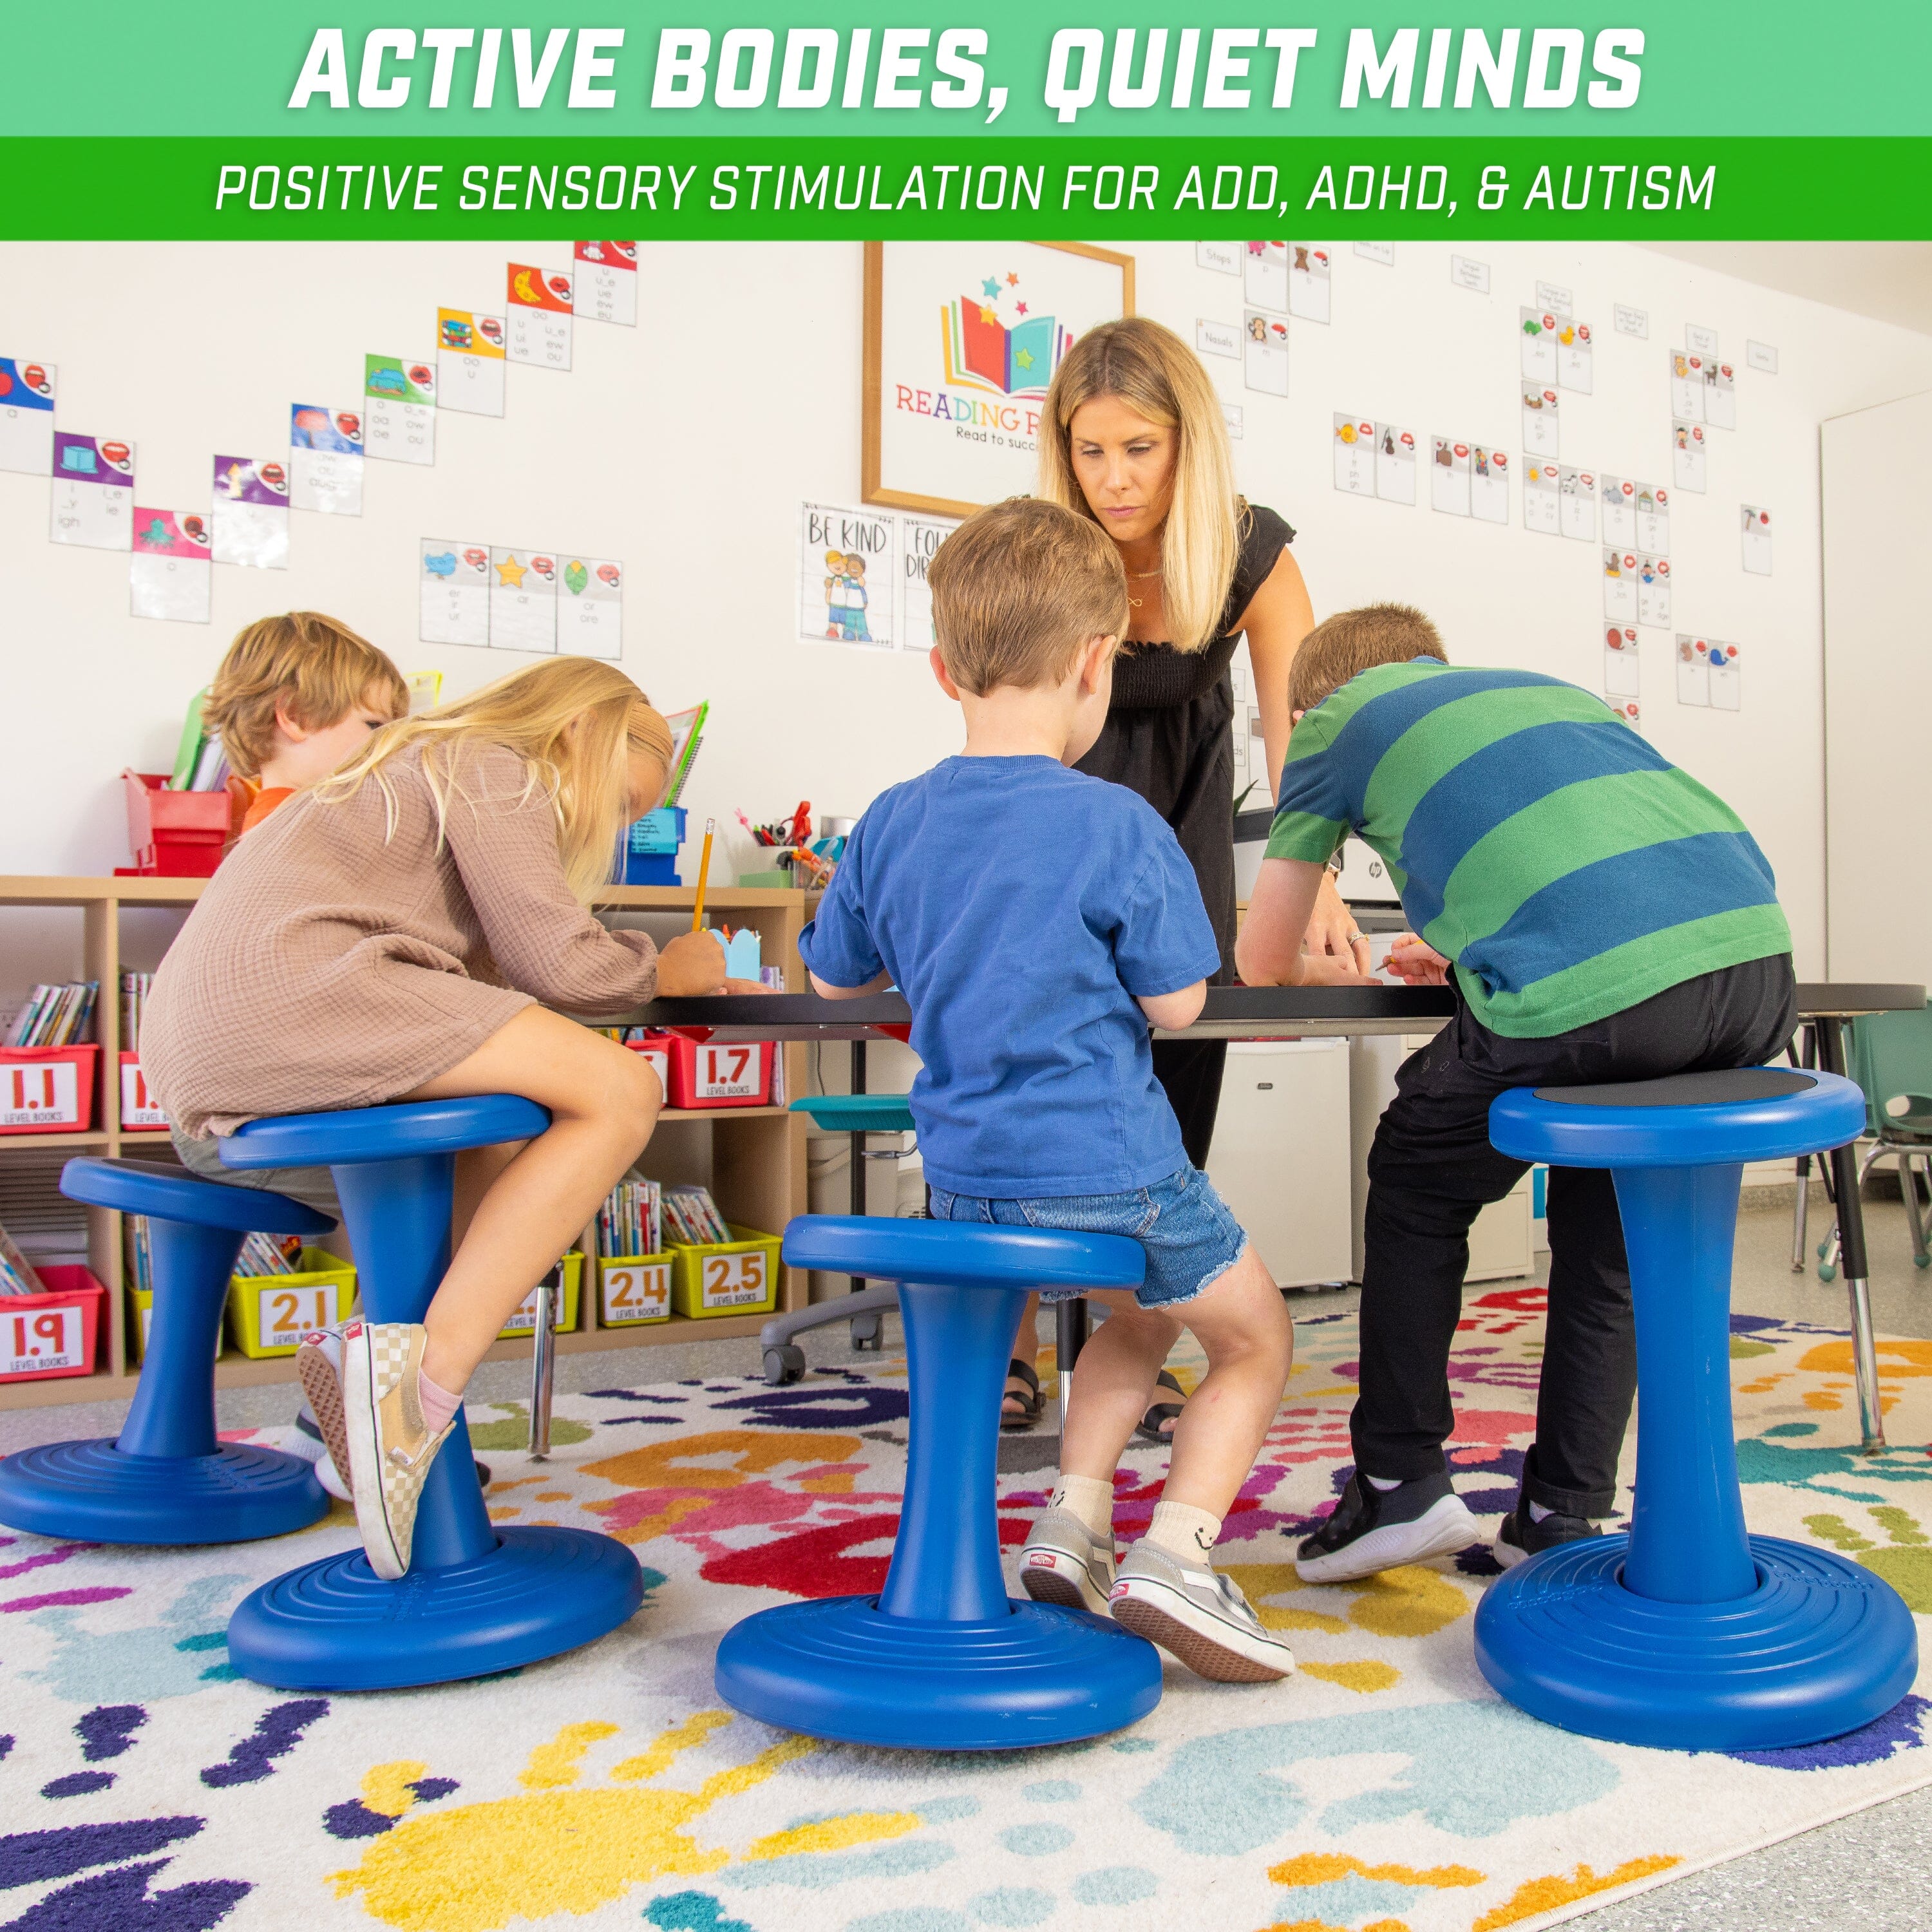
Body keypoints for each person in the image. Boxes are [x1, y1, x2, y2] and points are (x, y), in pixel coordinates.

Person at [799, 498, 1297, 1681]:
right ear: (1095, 667)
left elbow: (830, 976)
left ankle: (1072, 1524)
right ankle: (1177, 1553)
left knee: (1137, 1314)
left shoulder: (890, 822)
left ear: (941, 670)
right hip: (1119, 1173)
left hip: (968, 1185)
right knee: (1252, 1338)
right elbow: (1178, 1006)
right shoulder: (1118, 822)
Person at [140, 658, 759, 1579]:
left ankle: (372, 1366)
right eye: (634, 794)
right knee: (623, 1091)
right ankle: (418, 1380)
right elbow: (567, 971)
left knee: (504, 1124)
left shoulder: (417, 767)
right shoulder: (492, 761)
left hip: (222, 1034)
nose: (627, 821)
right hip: (296, 996)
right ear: (583, 733)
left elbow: (496, 986)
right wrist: (672, 968)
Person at [1234, 604, 1797, 1580]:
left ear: (1312, 699)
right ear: (1430, 664)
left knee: (1414, 1175)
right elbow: (1599, 875)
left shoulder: (1335, 718)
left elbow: (1260, 958)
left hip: (1606, 999)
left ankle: (1398, 1485)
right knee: (1614, 1196)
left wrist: (1339, 967)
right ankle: (1561, 1510)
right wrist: (1460, 954)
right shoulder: (1546, 690)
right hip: (1756, 971)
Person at [1009, 317, 1363, 1441]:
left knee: (1169, 1098)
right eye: (1089, 449)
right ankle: (1010, 1346)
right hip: (1054, 820)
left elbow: (1305, 735)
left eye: (1139, 449)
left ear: (1188, 443)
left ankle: (1132, 1336)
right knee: (1026, 1085)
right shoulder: (1045, 551)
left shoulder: (1251, 552)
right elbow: (1006, 722)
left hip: (1180, 834)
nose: (1110, 479)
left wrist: (1325, 889)